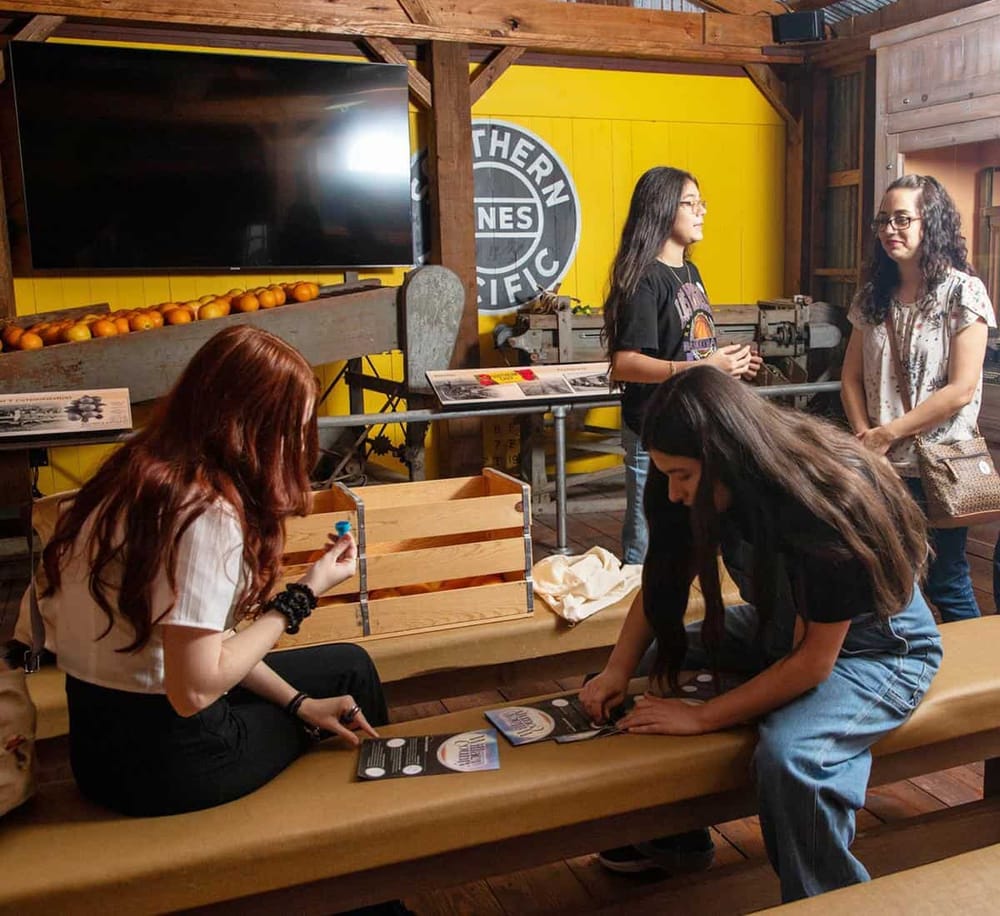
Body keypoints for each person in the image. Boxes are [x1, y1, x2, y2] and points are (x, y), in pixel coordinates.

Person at [581, 367, 942, 902]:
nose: (675, 492)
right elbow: (661, 584)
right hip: (781, 626)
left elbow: (813, 663)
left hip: (877, 650)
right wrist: (615, 670)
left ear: (725, 453)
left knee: (792, 759)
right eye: (666, 475)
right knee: (636, 672)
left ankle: (830, 901)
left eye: (683, 475)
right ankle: (674, 838)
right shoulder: (700, 481)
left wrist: (701, 717)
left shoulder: (825, 498)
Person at [40, 325, 388, 818]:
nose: (298, 447)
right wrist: (303, 596)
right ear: (254, 428)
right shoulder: (206, 513)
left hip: (97, 746)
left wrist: (299, 703)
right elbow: (195, 689)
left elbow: (200, 647)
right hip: (170, 762)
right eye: (294, 429)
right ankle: (364, 857)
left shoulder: (134, 474)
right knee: (349, 697)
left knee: (346, 668)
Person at [841, 173, 995, 622]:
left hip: (937, 465)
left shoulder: (963, 292)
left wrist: (887, 432)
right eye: (884, 221)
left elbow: (961, 389)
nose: (890, 230)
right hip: (880, 464)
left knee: (946, 579)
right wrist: (864, 436)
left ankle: (980, 679)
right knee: (883, 578)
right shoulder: (873, 296)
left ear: (933, 224)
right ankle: (906, 668)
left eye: (903, 219)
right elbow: (850, 377)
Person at [601, 166, 761, 566]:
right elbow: (624, 363)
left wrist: (727, 364)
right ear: (661, 209)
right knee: (647, 538)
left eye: (699, 202)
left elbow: (689, 347)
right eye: (690, 203)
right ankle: (635, 617)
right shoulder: (643, 278)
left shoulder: (690, 271)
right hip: (653, 430)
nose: (701, 211)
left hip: (692, 424)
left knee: (691, 533)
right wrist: (703, 368)